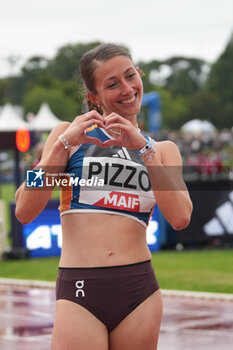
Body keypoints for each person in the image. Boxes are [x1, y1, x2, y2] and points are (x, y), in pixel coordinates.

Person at [15, 43, 193, 350]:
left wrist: (145, 150)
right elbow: (24, 208)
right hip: (80, 286)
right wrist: (58, 148)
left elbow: (181, 217)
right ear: (93, 98)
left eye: (130, 76)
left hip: (139, 290)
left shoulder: (162, 150)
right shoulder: (69, 136)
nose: (127, 89)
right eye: (112, 84)